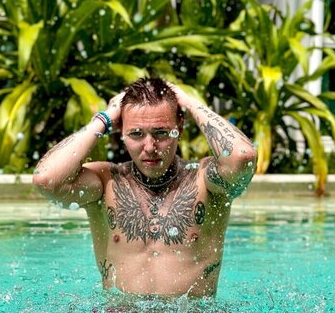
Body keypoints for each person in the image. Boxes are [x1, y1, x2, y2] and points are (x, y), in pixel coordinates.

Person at [33, 78, 257, 297]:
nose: (149, 147)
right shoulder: (106, 182)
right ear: (121, 131)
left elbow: (242, 157)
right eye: (136, 134)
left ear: (179, 127)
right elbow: (46, 179)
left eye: (161, 133)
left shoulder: (203, 181)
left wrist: (191, 104)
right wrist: (106, 117)